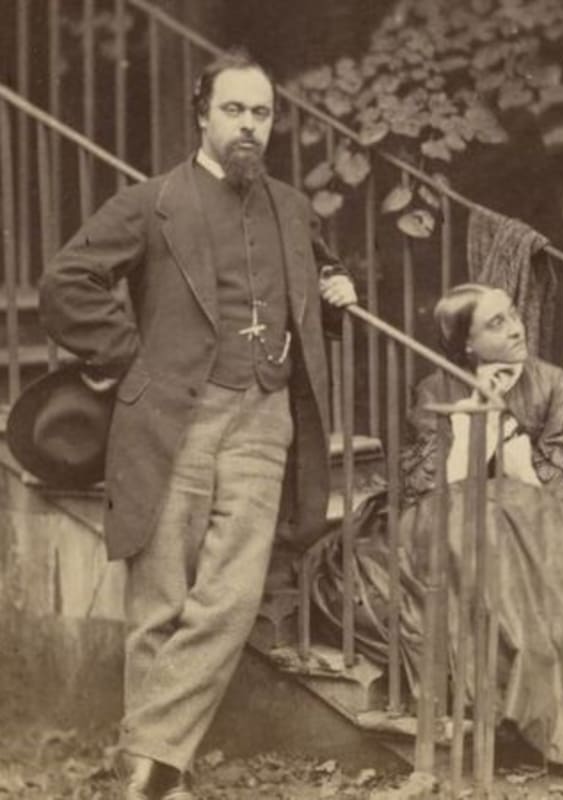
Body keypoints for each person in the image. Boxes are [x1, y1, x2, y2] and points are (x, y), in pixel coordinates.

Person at [39, 50, 357, 799]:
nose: (250, 126)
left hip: (264, 414)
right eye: (235, 111)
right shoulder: (151, 203)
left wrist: (338, 295)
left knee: (232, 595)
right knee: (161, 599)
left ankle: (144, 759)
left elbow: (318, 281)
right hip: (177, 415)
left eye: (262, 113)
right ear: (202, 114)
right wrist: (130, 358)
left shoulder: (290, 206)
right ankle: (161, 777)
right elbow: (66, 283)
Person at [313, 283, 563, 777]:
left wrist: (510, 437)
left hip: (545, 517)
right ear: (465, 345)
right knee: (462, 532)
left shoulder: (554, 384)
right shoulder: (437, 389)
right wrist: (475, 418)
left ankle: (558, 711)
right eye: (495, 324)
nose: (514, 329)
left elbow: (561, 479)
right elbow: (434, 484)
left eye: (512, 316)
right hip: (465, 519)